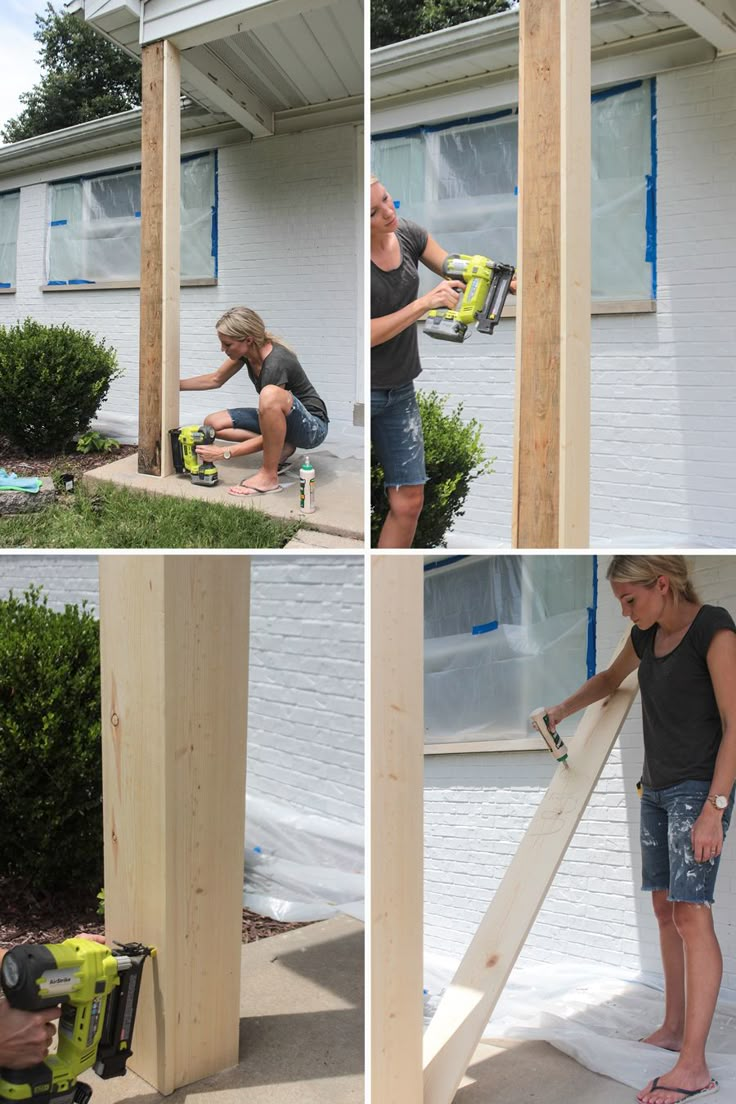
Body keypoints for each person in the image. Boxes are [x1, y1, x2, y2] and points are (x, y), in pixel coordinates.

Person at [546, 556, 736, 1104]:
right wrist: (562, 710)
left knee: (691, 913)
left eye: (631, 599)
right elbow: (610, 678)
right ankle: (673, 1027)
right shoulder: (645, 635)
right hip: (654, 790)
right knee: (663, 908)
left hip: (698, 792)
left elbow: (734, 723)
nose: (627, 611)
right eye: (620, 604)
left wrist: (714, 809)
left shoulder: (713, 628)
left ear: (662, 584)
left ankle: (693, 1066)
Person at [370, 176, 515, 548]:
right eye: (374, 212)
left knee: (409, 501)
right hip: (363, 392)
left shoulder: (408, 234)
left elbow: (453, 265)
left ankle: (387, 581)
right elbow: (363, 336)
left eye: (387, 199)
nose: (389, 212)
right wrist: (423, 303)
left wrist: (501, 277)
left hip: (399, 391)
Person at [181, 307, 329, 498]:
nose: (222, 349)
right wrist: (174, 385)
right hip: (285, 422)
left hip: (312, 428)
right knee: (212, 423)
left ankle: (269, 477)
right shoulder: (247, 353)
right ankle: (282, 446)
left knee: (269, 395)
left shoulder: (276, 362)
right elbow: (215, 379)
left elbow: (272, 415)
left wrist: (225, 452)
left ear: (248, 340)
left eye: (227, 344)